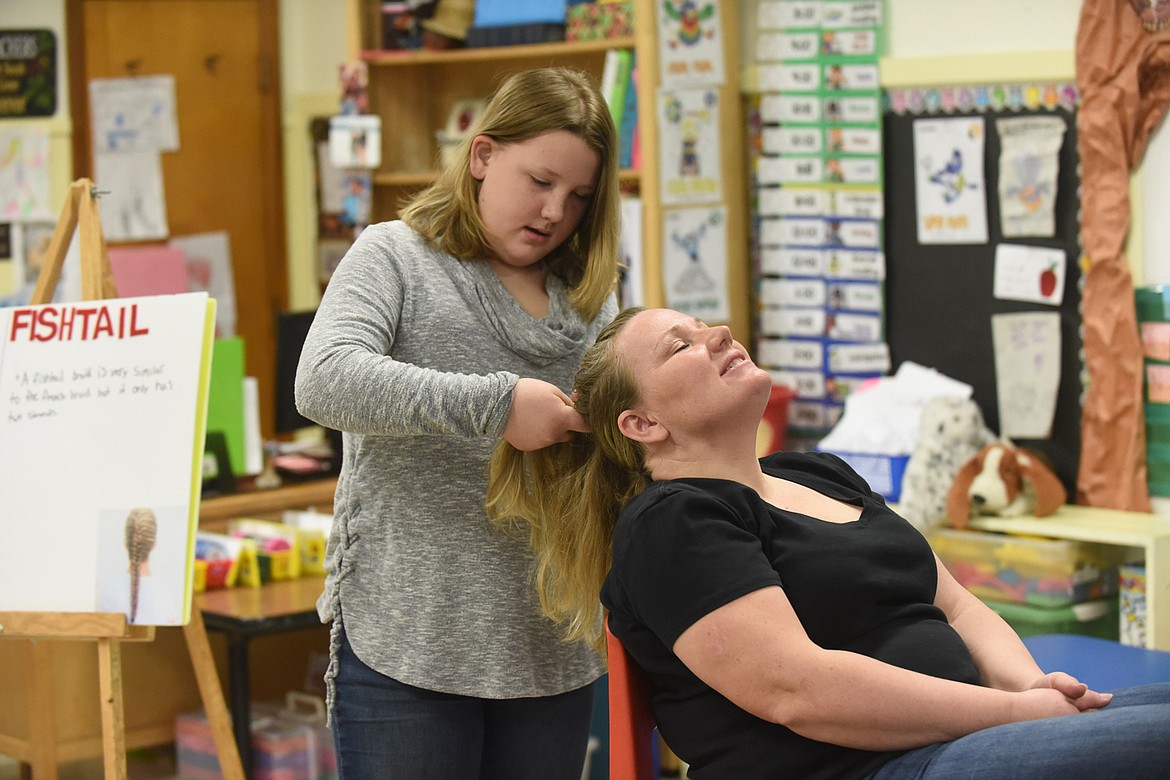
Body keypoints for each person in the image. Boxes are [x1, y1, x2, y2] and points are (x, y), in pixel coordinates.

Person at [486, 306, 1170, 779]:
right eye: (681, 345)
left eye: (705, 327)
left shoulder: (816, 470)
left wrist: (1031, 686)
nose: (720, 334)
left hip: (970, 736)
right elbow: (800, 691)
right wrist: (1018, 715)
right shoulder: (672, 523)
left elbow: (956, 604)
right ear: (642, 424)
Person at [295, 66, 621, 779]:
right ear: (482, 156)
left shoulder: (593, 298)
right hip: (406, 645)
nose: (554, 211)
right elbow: (323, 381)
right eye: (539, 181)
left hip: (551, 651)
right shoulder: (395, 257)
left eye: (578, 197)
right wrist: (499, 406)